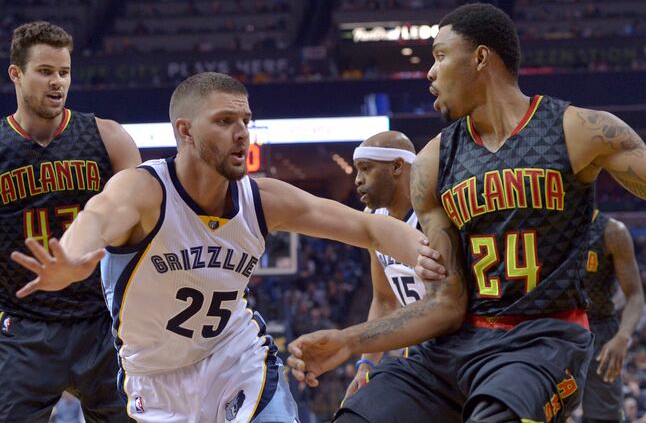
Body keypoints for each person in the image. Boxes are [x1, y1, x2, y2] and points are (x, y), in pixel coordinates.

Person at [287, 3, 646, 423]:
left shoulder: (579, 129)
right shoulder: (432, 163)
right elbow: (445, 304)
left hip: (543, 341)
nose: (429, 72)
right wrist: (352, 343)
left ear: (480, 57)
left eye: (438, 56)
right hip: (456, 344)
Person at [10, 72, 442, 422]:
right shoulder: (145, 191)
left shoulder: (263, 198)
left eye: (245, 122)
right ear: (185, 131)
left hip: (237, 361)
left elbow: (370, 230)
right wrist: (70, 257)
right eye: (223, 121)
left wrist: (429, 253)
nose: (241, 134)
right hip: (154, 378)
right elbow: (98, 216)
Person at [0, 21, 140, 422]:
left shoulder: (107, 137)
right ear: (16, 74)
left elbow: (146, 220)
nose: (57, 82)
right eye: (45, 71)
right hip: (25, 326)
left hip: (102, 322)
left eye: (64, 72)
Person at [345, 131, 424, 400]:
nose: (357, 180)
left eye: (366, 169)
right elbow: (384, 299)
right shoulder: (373, 218)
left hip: (457, 345)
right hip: (416, 352)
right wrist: (366, 364)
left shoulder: (435, 214)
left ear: (397, 167)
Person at [580, 210, 645, 423]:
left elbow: (635, 294)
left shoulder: (612, 231)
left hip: (600, 330)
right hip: (555, 327)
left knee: (604, 418)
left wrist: (623, 336)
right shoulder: (547, 224)